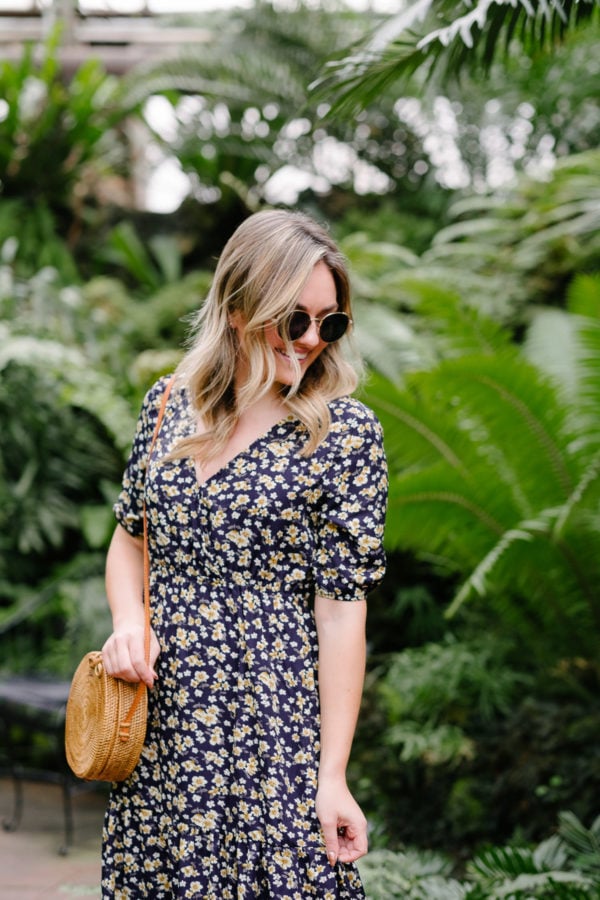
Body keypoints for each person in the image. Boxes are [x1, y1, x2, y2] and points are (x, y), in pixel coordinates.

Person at [100, 209, 388, 899]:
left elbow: (343, 614)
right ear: (239, 309)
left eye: (332, 322)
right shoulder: (167, 405)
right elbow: (128, 540)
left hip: (270, 725)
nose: (313, 340)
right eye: (296, 319)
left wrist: (333, 774)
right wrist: (128, 621)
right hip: (162, 726)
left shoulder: (343, 436)